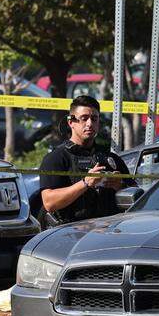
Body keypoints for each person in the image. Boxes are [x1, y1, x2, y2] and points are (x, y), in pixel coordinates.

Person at [38, 95, 134, 226]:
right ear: (71, 122)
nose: (90, 124)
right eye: (84, 118)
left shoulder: (111, 159)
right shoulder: (56, 158)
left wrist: (120, 185)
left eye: (94, 119)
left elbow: (137, 197)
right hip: (70, 234)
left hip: (108, 233)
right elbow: (49, 203)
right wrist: (85, 183)